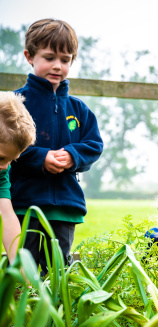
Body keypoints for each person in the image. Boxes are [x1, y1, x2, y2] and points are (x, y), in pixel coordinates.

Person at [11, 19, 103, 273]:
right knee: (25, 267)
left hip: (65, 202)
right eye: (49, 57)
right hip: (25, 201)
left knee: (57, 268)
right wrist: (41, 157)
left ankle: (56, 311)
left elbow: (93, 144)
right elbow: (5, 146)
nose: (57, 66)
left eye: (65, 59)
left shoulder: (78, 109)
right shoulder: (16, 104)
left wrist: (73, 156)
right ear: (30, 56)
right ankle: (27, 310)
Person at [0, 92, 36, 264]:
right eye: (1, 158)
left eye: (11, 160)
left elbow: (6, 215)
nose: (5, 166)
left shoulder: (1, 171)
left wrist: (20, 267)